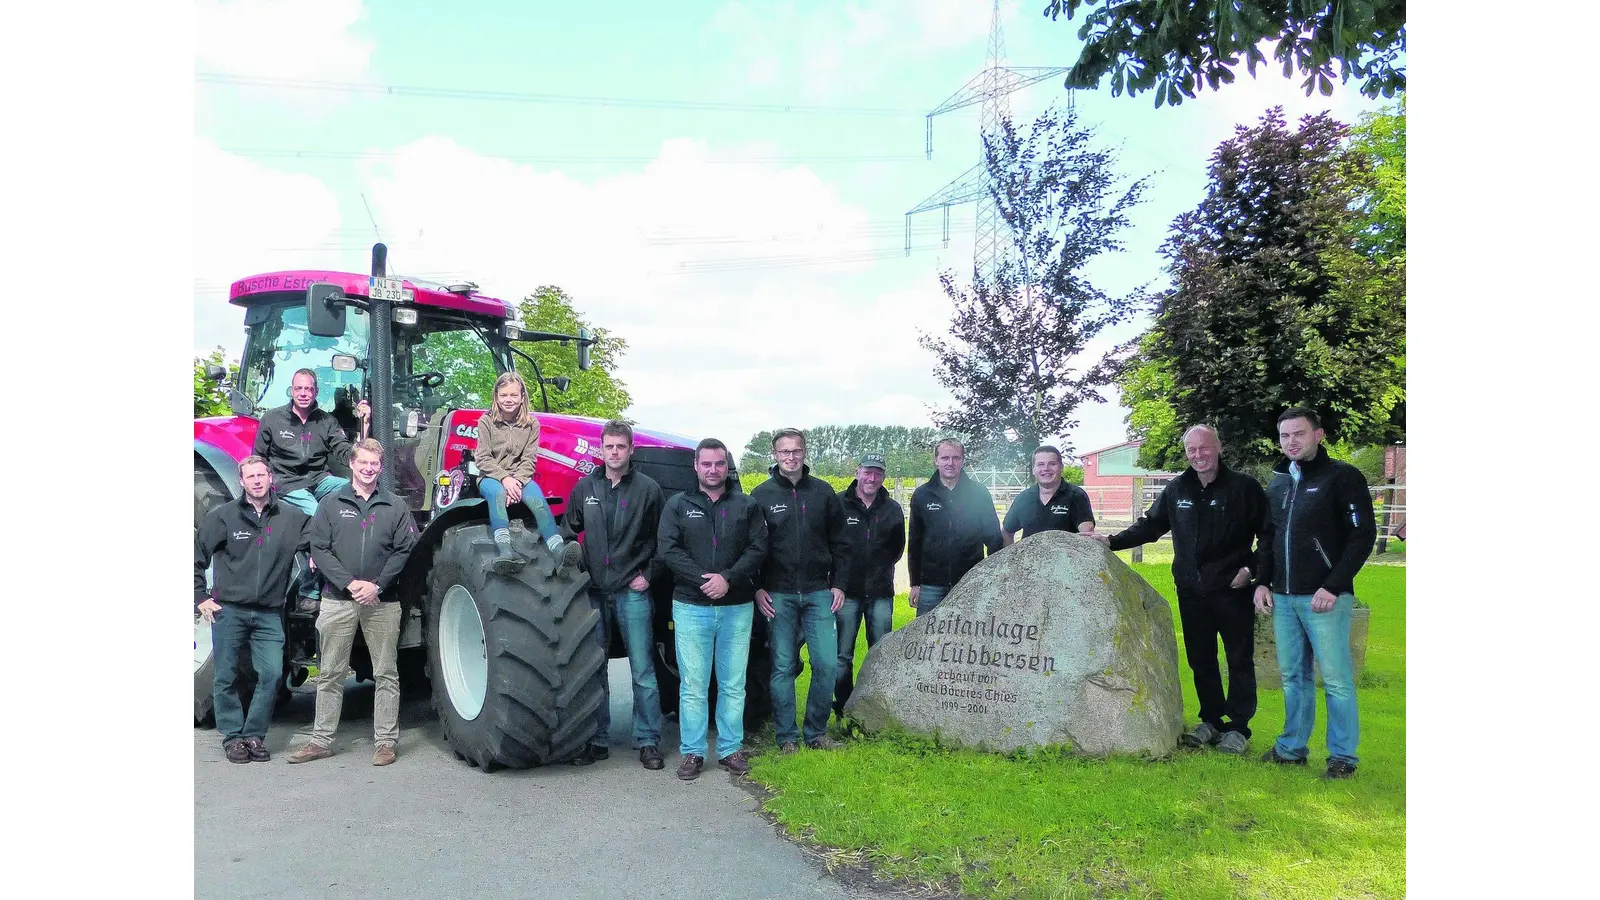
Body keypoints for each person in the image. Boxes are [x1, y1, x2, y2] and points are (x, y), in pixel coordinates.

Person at [1089, 425, 1269, 754]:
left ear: (1219, 446)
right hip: (1191, 591)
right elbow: (1151, 526)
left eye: (1205, 448)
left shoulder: (1244, 487)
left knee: (1239, 659)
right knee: (1201, 658)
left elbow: (1269, 534)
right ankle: (1211, 720)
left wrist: (1251, 570)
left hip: (1233, 589)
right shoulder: (1177, 489)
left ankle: (1238, 727)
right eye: (1192, 450)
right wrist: (1111, 542)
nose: (1198, 455)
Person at [1253, 407, 1377, 779]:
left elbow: (1362, 535)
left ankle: (1343, 757)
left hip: (1325, 598)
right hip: (1284, 598)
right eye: (1285, 435)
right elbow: (1268, 537)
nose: (1291, 441)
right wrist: (1262, 582)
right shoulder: (1278, 481)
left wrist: (1334, 585)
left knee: (1336, 680)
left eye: (1299, 433)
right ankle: (1291, 748)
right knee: (1293, 677)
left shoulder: (1342, 477)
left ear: (1318, 435)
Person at [287, 439, 419, 767]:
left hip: (382, 601)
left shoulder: (395, 505)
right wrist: (349, 583)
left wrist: (377, 585)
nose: (368, 468)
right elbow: (319, 548)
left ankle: (385, 742)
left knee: (386, 672)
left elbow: (404, 549)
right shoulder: (331, 503)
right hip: (337, 600)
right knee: (330, 672)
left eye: (374, 464)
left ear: (381, 467)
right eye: (363, 463)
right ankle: (321, 741)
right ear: (352, 464)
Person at [656, 438, 768, 780]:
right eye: (706, 464)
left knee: (733, 683)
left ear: (727, 466)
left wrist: (728, 579)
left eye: (719, 463)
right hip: (691, 606)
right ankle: (693, 752)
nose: (713, 470)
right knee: (693, 685)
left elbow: (758, 548)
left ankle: (730, 750)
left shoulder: (747, 505)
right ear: (696, 466)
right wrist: (704, 579)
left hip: (736, 607)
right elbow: (668, 549)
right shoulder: (678, 505)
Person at [562, 419, 667, 770]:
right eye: (609, 446)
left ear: (631, 449)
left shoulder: (648, 490)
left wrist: (648, 575)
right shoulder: (586, 488)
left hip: (632, 592)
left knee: (643, 670)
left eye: (621, 446)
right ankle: (597, 739)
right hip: (594, 592)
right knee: (595, 669)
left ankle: (648, 740)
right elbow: (567, 533)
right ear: (601, 449)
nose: (615, 452)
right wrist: (577, 570)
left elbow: (665, 540)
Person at [194, 455, 311, 763]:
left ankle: (254, 735)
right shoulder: (223, 517)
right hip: (229, 610)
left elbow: (320, 541)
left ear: (270, 478)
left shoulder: (291, 517)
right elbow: (196, 556)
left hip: (269, 613)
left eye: (261, 475)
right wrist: (199, 596)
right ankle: (233, 737)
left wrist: (317, 556)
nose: (257, 481)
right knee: (226, 676)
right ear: (242, 481)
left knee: (271, 674)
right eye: (250, 476)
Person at [751, 428, 851, 753]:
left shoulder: (823, 493)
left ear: (805, 452)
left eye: (796, 451)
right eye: (784, 452)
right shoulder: (761, 496)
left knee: (826, 664)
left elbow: (841, 543)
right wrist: (757, 588)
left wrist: (839, 584)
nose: (791, 457)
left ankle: (816, 733)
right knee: (782, 666)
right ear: (775, 455)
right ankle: (787, 737)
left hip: (819, 592)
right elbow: (752, 547)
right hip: (777, 594)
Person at [253, 368, 369, 610]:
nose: (303, 393)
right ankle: (310, 590)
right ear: (291, 390)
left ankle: (356, 572)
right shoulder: (272, 419)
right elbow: (258, 458)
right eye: (299, 389)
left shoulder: (326, 421)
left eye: (308, 389)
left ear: (316, 391)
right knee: (318, 513)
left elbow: (347, 453)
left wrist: (364, 426)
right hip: (286, 483)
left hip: (319, 480)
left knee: (354, 492)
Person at [474, 371, 573, 573]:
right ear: (496, 397)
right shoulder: (486, 422)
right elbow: (483, 458)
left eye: (513, 395)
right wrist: (505, 479)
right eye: (504, 395)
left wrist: (517, 482)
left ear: (522, 397)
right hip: (491, 476)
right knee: (498, 494)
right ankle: (505, 551)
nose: (508, 399)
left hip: (521, 478)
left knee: (538, 501)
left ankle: (558, 551)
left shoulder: (531, 425)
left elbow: (529, 459)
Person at [832, 453, 905, 717]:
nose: (872, 478)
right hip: (846, 593)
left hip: (880, 592)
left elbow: (897, 548)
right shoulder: (838, 504)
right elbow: (830, 544)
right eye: (867, 472)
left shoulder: (892, 509)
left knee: (881, 652)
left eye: (878, 473)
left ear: (883, 476)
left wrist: (879, 569)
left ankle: (876, 709)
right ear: (857, 472)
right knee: (842, 656)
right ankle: (843, 707)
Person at [907, 439, 1002, 617]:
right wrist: (915, 583)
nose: (950, 463)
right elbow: (915, 542)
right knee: (928, 632)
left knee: (970, 632)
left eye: (956, 458)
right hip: (931, 585)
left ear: (963, 460)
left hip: (970, 582)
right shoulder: (922, 495)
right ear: (936, 461)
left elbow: (994, 538)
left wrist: (992, 576)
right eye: (945, 458)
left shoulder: (979, 493)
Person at [1001, 445, 1096, 546]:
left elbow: (1087, 533)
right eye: (1040, 464)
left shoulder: (1076, 496)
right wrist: (1011, 555)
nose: (1046, 468)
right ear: (1033, 470)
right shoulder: (1023, 498)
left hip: (1065, 555)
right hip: (1030, 556)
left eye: (1052, 464)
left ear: (1061, 467)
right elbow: (1006, 532)